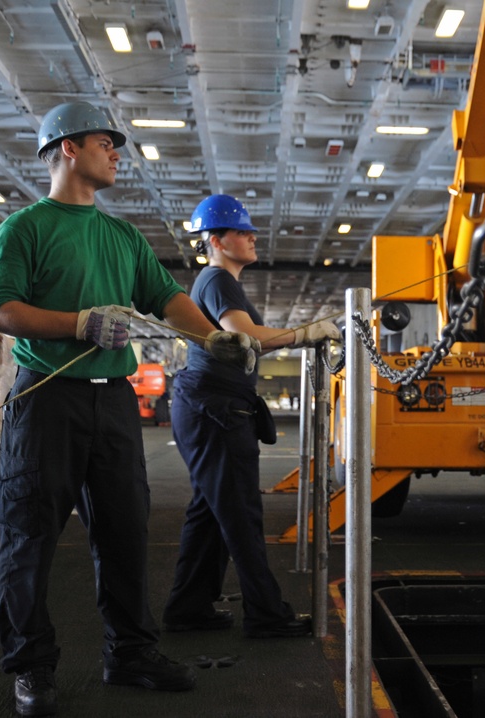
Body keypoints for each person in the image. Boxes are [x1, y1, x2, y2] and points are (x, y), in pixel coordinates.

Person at [0, 102, 258, 717]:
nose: (117, 154)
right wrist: (78, 322)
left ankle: (130, 652)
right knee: (29, 536)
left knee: (125, 532)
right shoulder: (25, 227)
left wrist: (211, 337)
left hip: (113, 404)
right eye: (107, 143)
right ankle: (30, 666)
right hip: (46, 398)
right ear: (69, 148)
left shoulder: (122, 235)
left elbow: (164, 297)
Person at [162, 194, 340, 640]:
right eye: (242, 231)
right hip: (215, 409)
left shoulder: (219, 280)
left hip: (209, 406)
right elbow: (243, 335)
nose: (252, 237)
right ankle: (266, 614)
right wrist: (305, 333)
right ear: (216, 240)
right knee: (239, 513)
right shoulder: (219, 279)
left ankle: (189, 608)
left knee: (211, 514)